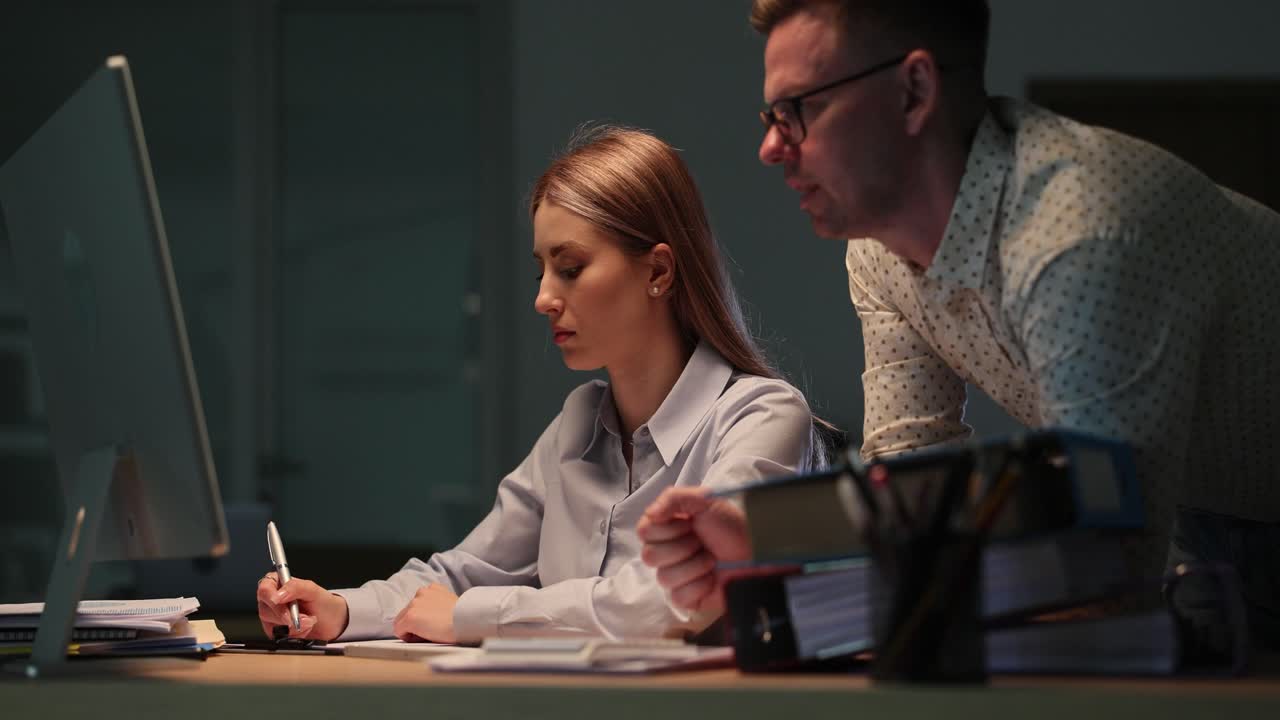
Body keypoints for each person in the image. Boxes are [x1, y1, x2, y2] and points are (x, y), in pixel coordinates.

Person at [640, 0, 1280, 645]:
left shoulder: (1082, 232)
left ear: (914, 91)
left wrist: (790, 561)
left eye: (799, 110)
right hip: (1201, 531)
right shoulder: (879, 249)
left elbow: (1102, 566)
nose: (771, 147)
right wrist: (767, 548)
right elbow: (913, 491)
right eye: (771, 115)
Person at [255, 126, 818, 644]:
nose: (543, 298)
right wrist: (340, 610)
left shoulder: (762, 416)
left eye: (569, 268)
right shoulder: (578, 422)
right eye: (541, 270)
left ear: (658, 272)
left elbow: (668, 603)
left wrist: (469, 616)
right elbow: (461, 571)